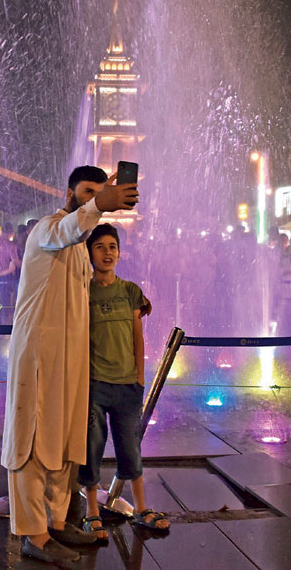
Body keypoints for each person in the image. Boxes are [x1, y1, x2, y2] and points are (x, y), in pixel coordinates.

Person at [1, 166, 138, 566]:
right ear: (70, 193)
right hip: (39, 358)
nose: (94, 197)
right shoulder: (47, 229)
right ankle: (33, 534)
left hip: (72, 361)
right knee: (31, 437)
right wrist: (99, 204)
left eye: (99, 192)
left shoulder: (81, 247)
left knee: (65, 439)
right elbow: (68, 229)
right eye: (87, 191)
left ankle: (58, 522)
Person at [78, 224, 168, 542]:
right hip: (94, 384)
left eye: (112, 246)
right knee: (91, 448)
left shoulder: (130, 290)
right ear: (89, 253)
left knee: (130, 447)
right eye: (100, 246)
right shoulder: (82, 290)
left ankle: (142, 508)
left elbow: (136, 336)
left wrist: (140, 378)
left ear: (120, 251)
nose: (107, 252)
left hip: (128, 383)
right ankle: (91, 512)